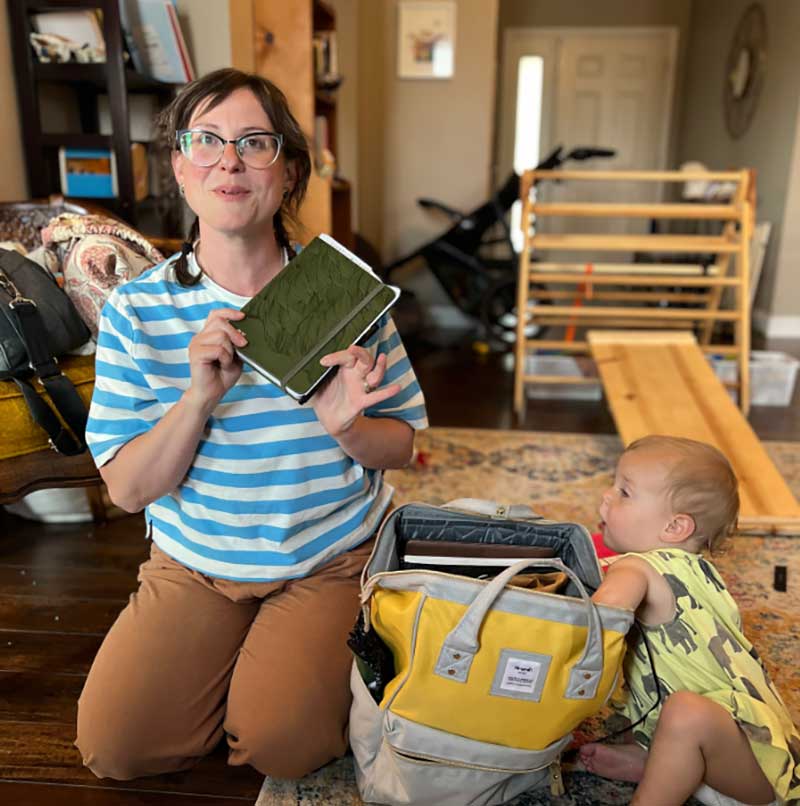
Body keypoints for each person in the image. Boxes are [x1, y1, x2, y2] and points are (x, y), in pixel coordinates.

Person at [75, 68, 428, 781]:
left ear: (289, 169)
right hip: (196, 565)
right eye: (205, 141)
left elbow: (405, 442)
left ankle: (293, 656)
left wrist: (347, 429)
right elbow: (128, 491)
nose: (228, 160)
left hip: (327, 558)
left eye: (254, 142)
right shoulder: (137, 310)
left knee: (282, 746)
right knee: (115, 750)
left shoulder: (342, 290)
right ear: (179, 166)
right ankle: (239, 659)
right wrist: (197, 399)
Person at [580, 435, 799, 806]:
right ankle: (658, 759)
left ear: (675, 528)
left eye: (624, 492)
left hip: (762, 779)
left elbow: (596, 621)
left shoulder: (637, 567)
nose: (606, 495)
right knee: (668, 687)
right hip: (746, 746)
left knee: (685, 712)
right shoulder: (702, 574)